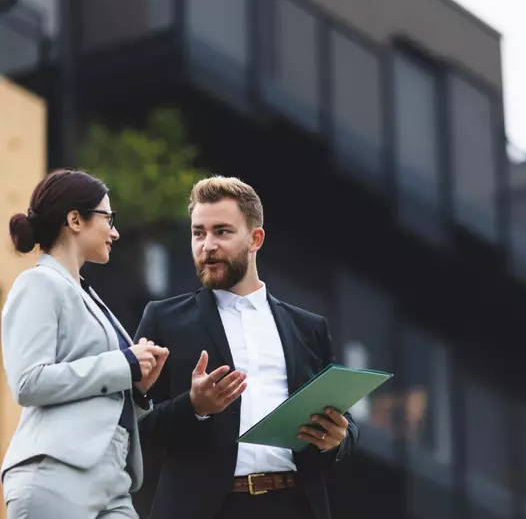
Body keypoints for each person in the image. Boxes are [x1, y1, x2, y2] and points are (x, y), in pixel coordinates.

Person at [133, 176, 358, 519]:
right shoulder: (163, 319)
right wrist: (194, 406)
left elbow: (343, 419)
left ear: (255, 239)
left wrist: (339, 437)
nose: (207, 245)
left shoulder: (308, 328)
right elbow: (133, 425)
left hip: (293, 504)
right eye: (198, 233)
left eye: (222, 232)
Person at [1, 169, 169, 519]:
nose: (116, 231)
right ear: (75, 220)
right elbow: (28, 382)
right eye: (109, 218)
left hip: (114, 483)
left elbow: (99, 397)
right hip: (55, 475)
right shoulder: (38, 284)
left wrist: (136, 388)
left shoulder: (86, 294)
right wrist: (123, 365)